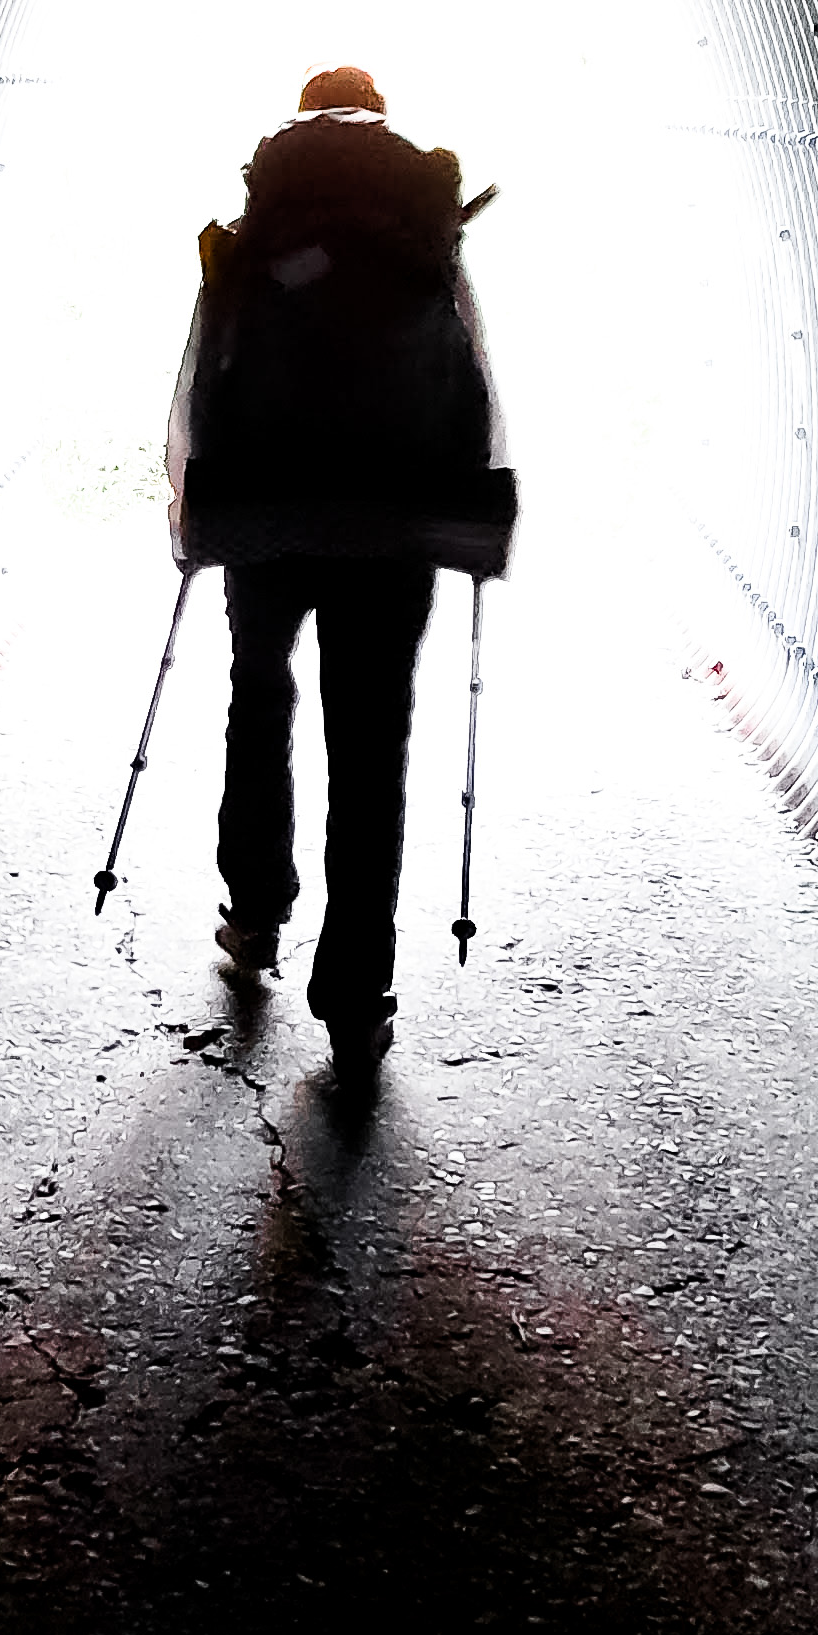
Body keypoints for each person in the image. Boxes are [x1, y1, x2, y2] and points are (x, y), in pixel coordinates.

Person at [166, 65, 513, 1081]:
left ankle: (257, 913)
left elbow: (203, 376)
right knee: (373, 748)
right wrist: (470, 514)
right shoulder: (424, 233)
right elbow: (471, 382)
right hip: (395, 526)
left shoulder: (256, 228)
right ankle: (357, 998)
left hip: (268, 514)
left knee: (258, 697)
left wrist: (198, 513)